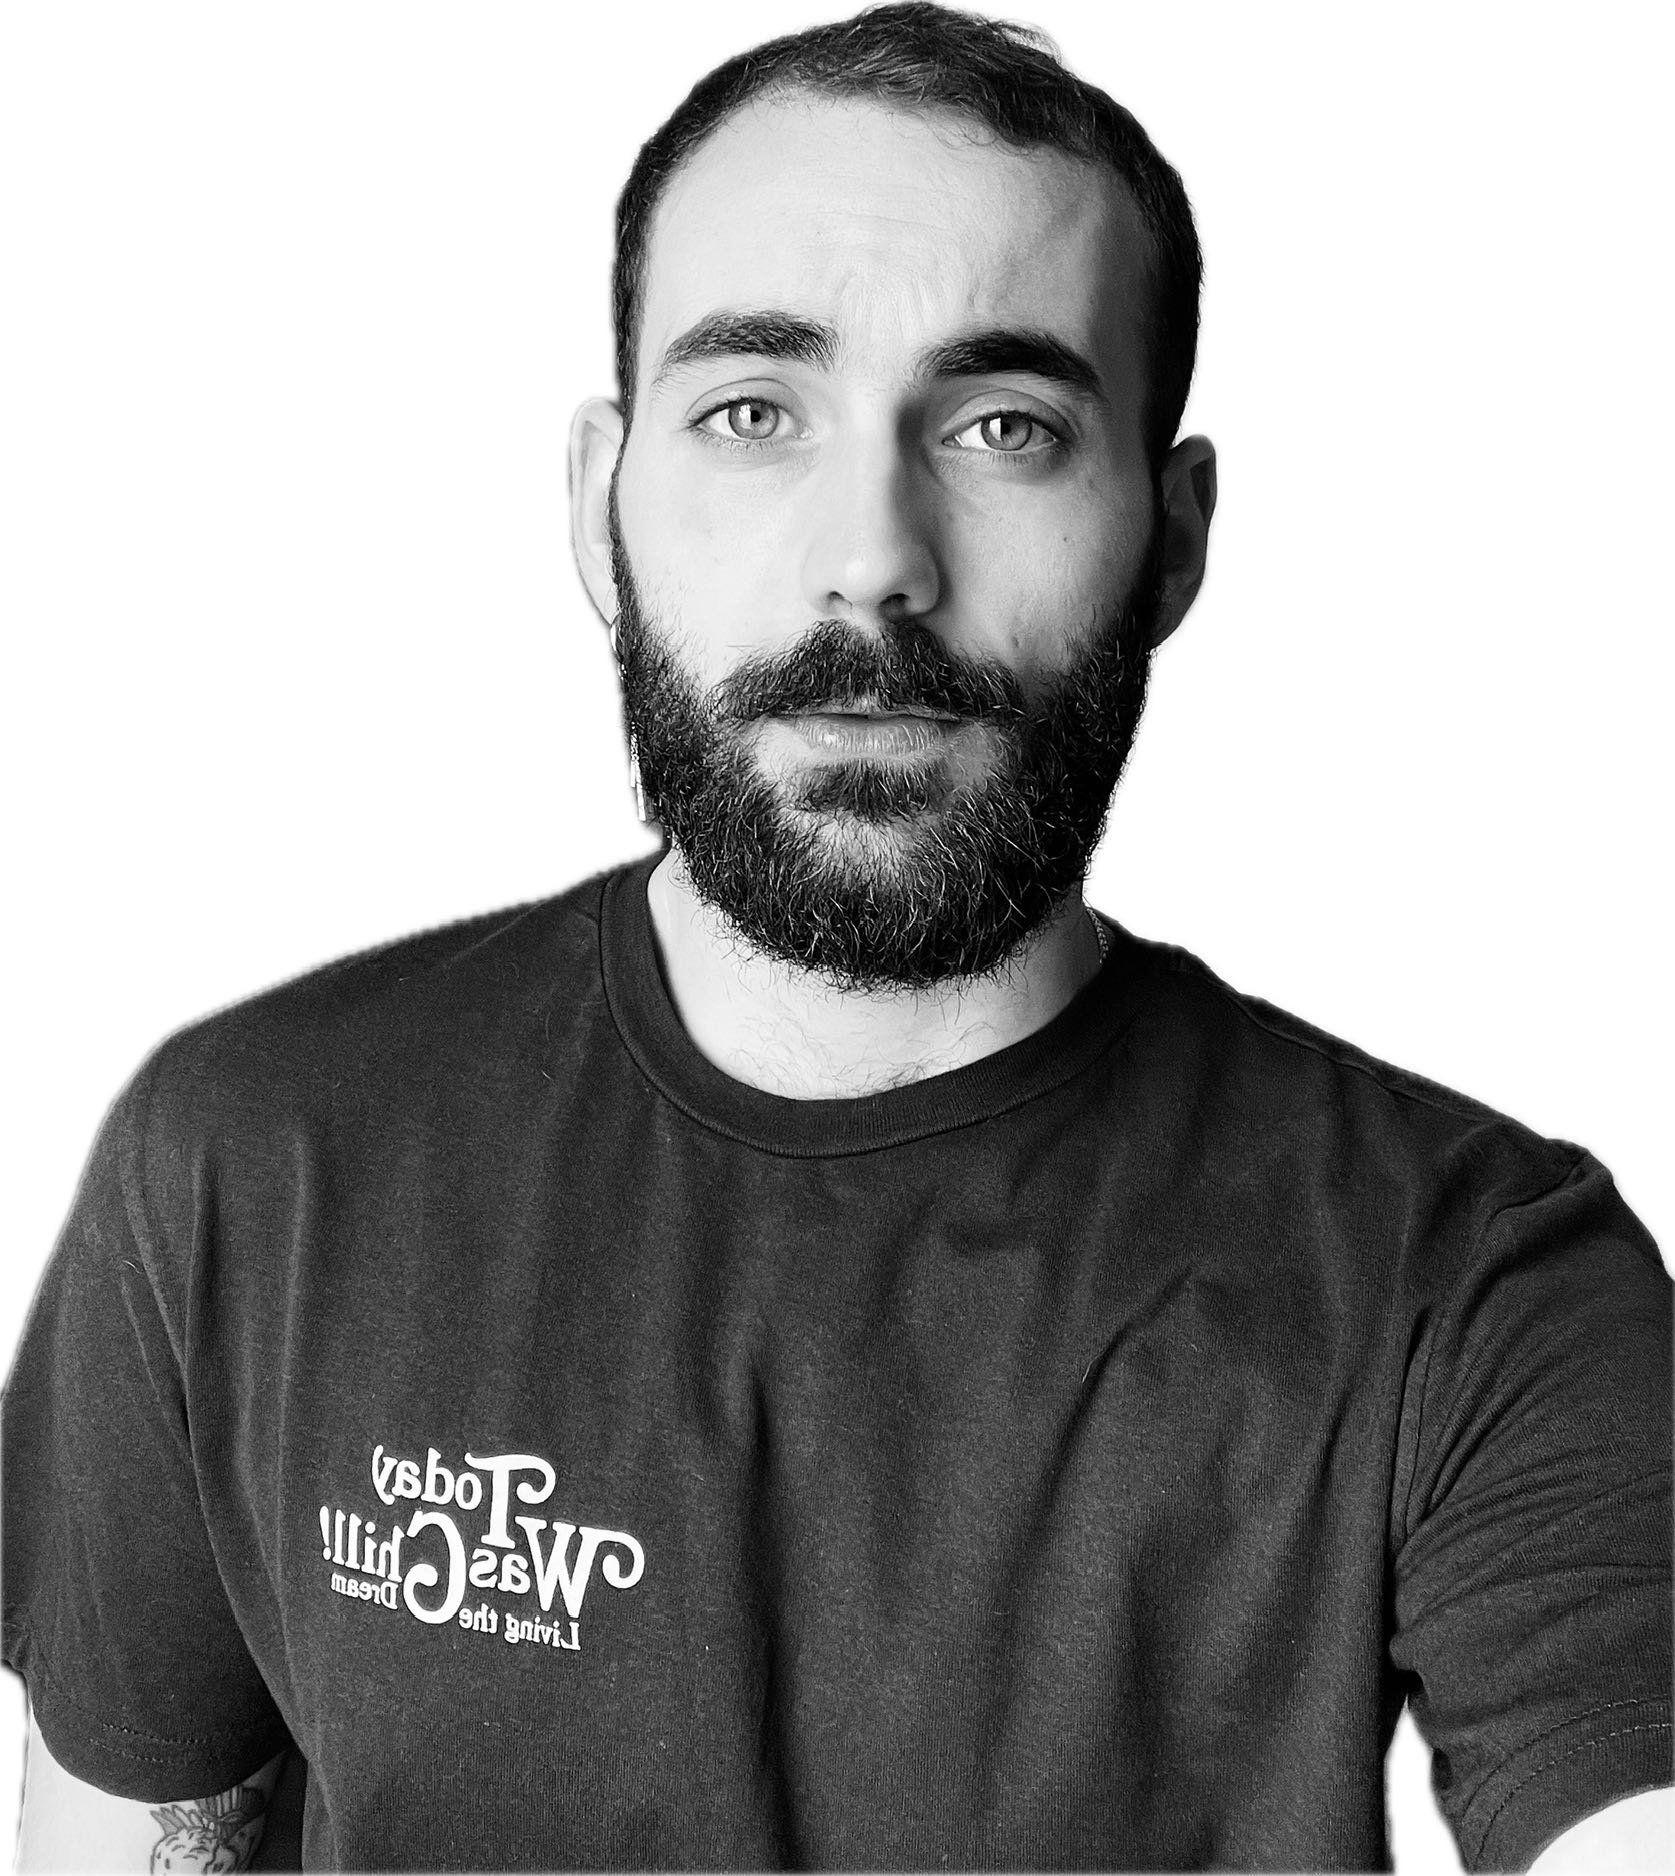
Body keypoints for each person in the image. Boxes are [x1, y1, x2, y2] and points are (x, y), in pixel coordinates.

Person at [3, 3, 1669, 1869]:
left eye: (1007, 426)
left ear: (1176, 537)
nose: (873, 553)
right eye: (750, 413)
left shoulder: (1471, 1277)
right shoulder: (248, 1166)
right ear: (599, 508)